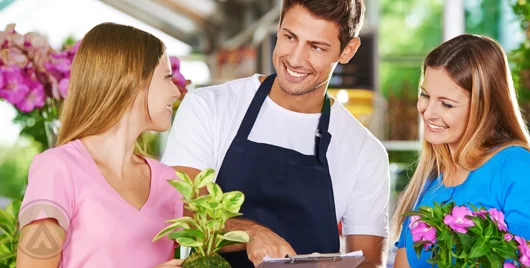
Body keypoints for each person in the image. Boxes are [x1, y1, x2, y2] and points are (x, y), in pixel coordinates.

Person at [160, 0, 390, 267]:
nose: (294, 59)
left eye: (316, 47)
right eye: (289, 37)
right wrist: (252, 233)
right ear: (278, 26)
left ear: (348, 50)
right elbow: (179, 210)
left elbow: (369, 262)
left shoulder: (365, 151)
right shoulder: (209, 107)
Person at [392, 34, 530, 268]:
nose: (428, 112)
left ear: (483, 106)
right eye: (425, 95)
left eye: (446, 104)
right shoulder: (431, 180)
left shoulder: (519, 172)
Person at [16, 23, 185, 268]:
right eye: (167, 77)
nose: (176, 92)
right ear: (132, 79)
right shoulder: (58, 169)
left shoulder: (168, 181)